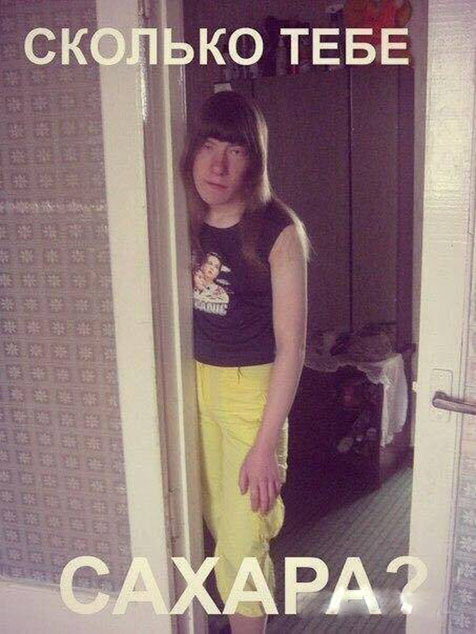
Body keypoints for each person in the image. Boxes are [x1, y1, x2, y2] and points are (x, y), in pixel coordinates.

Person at [181, 90, 309, 634]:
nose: (218, 165)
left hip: (250, 395)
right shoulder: (181, 214)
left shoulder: (278, 230)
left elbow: (292, 346)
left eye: (234, 151)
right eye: (208, 146)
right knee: (213, 528)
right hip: (192, 385)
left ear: (253, 160)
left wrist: (264, 446)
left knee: (242, 547)